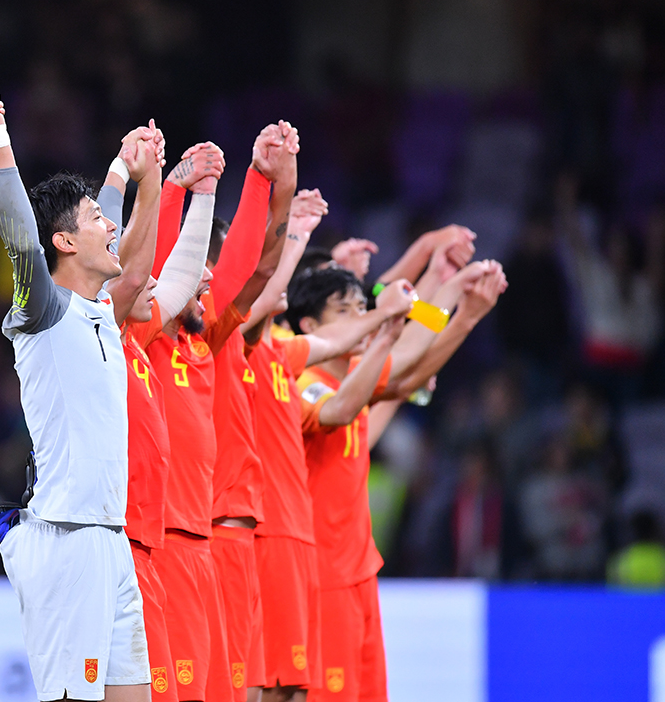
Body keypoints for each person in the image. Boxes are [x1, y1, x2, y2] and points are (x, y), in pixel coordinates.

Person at [0, 82, 151, 702]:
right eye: (95, 220)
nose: (110, 226)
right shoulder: (43, 309)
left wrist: (122, 166)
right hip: (67, 540)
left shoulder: (101, 307)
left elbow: (107, 223)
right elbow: (22, 235)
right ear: (65, 243)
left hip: (110, 537)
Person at [287, 260, 506, 702]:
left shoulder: (355, 377)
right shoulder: (305, 383)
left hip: (358, 572)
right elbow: (348, 403)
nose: (360, 319)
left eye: (361, 308)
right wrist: (436, 309)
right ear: (309, 327)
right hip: (322, 578)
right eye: (345, 311)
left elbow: (410, 357)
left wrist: (454, 293)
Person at [235, 193, 412, 702]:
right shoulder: (259, 357)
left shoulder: (285, 354)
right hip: (272, 538)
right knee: (264, 686)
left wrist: (407, 312)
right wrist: (290, 224)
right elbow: (339, 406)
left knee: (290, 688)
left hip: (309, 546)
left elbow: (344, 342)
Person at [141, 125, 288, 702]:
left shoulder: (204, 342)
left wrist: (259, 180)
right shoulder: (147, 338)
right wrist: (174, 189)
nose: (206, 277)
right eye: (196, 266)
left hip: (201, 541)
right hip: (163, 541)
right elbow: (155, 270)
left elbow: (246, 270)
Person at [120, 138, 221, 701]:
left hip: (169, 537)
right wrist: (161, 184)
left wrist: (200, 191)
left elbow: (174, 278)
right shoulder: (114, 332)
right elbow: (145, 271)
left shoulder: (160, 342)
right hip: (135, 538)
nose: (156, 285)